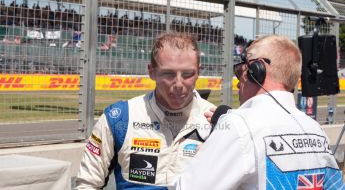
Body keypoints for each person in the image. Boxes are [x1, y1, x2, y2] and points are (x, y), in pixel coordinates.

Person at [175, 35, 345, 189]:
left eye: (240, 72)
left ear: (257, 70)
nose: (238, 83)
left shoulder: (239, 124)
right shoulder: (315, 129)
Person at [75, 32, 216, 189]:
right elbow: (87, 184)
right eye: (168, 74)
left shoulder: (218, 122)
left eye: (187, 74)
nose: (178, 83)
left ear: (198, 72)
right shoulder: (119, 118)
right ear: (151, 72)